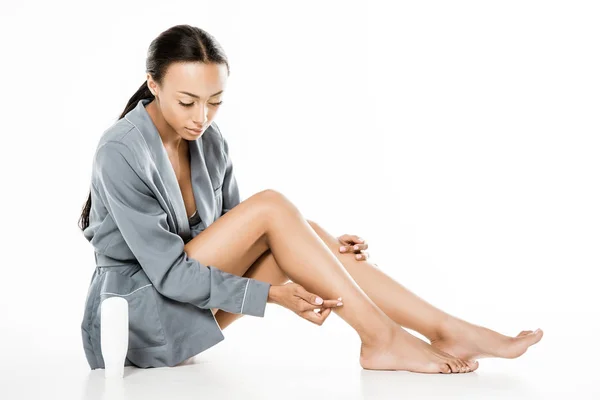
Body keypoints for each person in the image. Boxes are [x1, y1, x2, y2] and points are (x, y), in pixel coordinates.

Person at [79, 24, 543, 374]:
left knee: (310, 234)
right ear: (153, 85)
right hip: (133, 323)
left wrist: (322, 250)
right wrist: (271, 295)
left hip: (188, 313)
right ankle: (382, 339)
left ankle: (447, 331)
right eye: (187, 102)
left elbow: (241, 233)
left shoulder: (210, 141)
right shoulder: (120, 150)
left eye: (215, 101)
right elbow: (169, 273)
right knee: (273, 206)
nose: (202, 116)